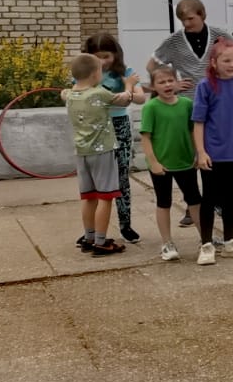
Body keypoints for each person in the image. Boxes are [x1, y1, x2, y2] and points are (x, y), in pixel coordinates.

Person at [147, 0, 233, 230]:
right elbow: (152, 66)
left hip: (217, 103)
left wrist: (230, 75)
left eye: (190, 18)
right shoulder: (174, 41)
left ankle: (216, 200)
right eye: (182, 20)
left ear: (202, 14)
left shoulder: (219, 35)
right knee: (194, 154)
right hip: (188, 104)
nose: (186, 24)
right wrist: (172, 84)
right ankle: (193, 203)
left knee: (214, 155)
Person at [191, 38, 233, 266]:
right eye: (226, 61)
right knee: (209, 198)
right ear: (214, 62)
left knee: (230, 197)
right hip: (213, 152)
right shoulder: (205, 86)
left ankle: (229, 242)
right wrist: (201, 152)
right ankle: (206, 244)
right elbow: (198, 122)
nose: (232, 65)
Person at [63, 53, 139, 257]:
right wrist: (129, 84)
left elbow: (63, 93)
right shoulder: (99, 93)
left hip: (82, 153)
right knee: (105, 197)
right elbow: (125, 100)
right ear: (95, 74)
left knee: (88, 197)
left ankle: (88, 237)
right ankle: (101, 241)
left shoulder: (69, 95)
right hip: (103, 152)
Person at [138, 63, 201, 262]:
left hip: (186, 162)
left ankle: (206, 238)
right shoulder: (151, 107)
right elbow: (146, 137)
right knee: (163, 202)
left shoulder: (186, 104)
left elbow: (193, 130)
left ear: (176, 82)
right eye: (161, 82)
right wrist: (153, 162)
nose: (166, 85)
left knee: (195, 200)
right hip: (162, 165)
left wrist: (198, 153)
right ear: (153, 86)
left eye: (170, 80)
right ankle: (167, 243)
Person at [84, 33, 142, 243]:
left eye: (106, 56)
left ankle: (125, 225)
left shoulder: (125, 72)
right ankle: (92, 231)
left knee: (121, 177)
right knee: (95, 181)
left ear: (115, 54)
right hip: (95, 129)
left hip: (119, 127)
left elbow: (141, 98)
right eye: (97, 57)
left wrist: (130, 90)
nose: (102, 61)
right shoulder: (85, 74)